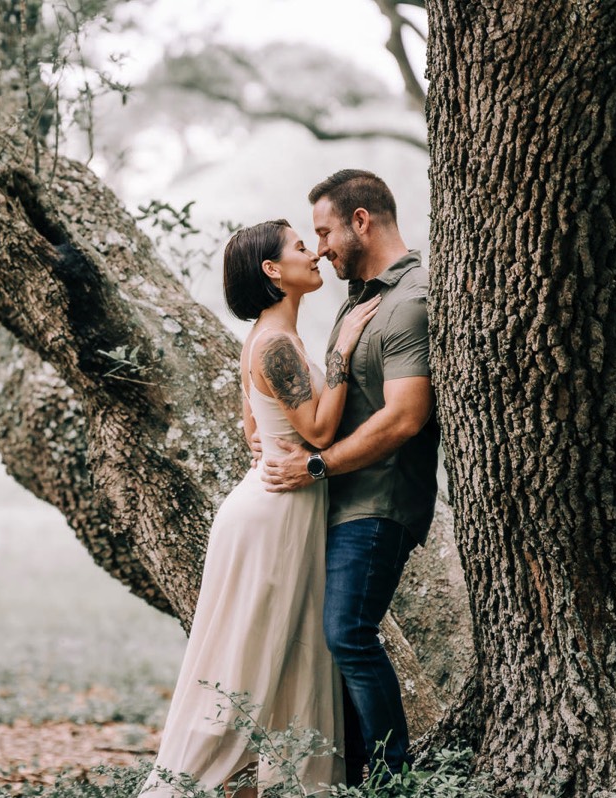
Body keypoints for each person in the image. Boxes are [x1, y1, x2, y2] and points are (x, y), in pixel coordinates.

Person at [142, 219, 381, 797]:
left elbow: (252, 425)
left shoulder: (270, 339)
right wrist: (345, 350)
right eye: (301, 248)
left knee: (295, 650)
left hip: (281, 507)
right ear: (273, 271)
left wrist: (272, 437)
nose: (314, 254)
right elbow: (321, 430)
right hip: (271, 515)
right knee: (247, 657)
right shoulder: (275, 343)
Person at [261, 170, 439, 782]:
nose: (321, 247)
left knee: (349, 635)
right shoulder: (358, 299)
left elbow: (406, 416)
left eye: (325, 231)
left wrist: (315, 465)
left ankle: (394, 781)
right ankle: (354, 779)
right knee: (330, 647)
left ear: (360, 221)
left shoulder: (411, 297)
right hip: (337, 501)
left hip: (379, 502)